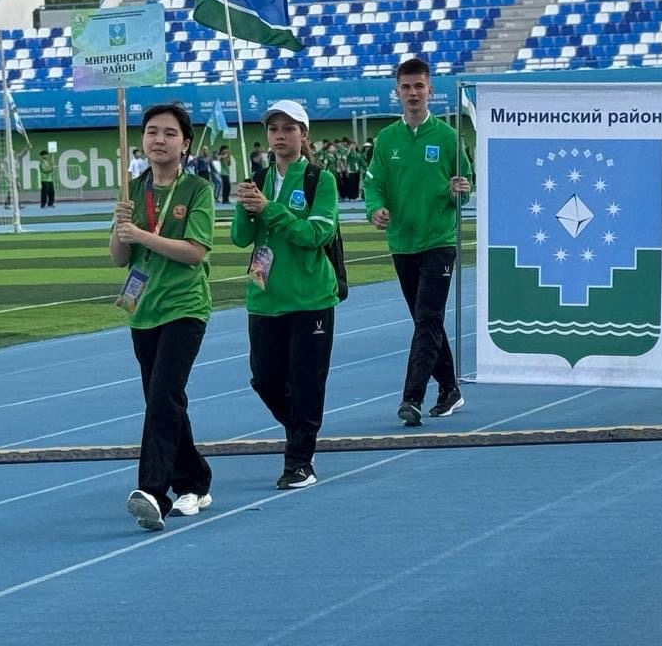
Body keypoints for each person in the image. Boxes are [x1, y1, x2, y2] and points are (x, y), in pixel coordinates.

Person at [109, 103, 215, 531]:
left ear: (185, 143)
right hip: (143, 309)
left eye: (170, 133)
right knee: (163, 399)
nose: (159, 139)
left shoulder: (197, 189)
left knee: (164, 396)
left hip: (185, 306)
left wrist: (142, 235)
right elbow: (120, 258)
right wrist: (121, 229)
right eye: (152, 131)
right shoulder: (132, 190)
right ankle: (195, 479)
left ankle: (152, 491)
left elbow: (195, 252)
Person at [232, 101, 339, 490]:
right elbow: (240, 238)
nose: (279, 135)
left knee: (307, 381)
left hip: (310, 297)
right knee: (265, 379)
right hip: (264, 296)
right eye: (274, 129)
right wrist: (245, 209)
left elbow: (316, 234)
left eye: (288, 128)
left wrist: (269, 209)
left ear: (303, 134)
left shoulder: (319, 180)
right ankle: (302, 432)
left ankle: (299, 461)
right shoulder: (257, 179)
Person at [364, 57, 472, 427]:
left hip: (439, 240)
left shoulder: (447, 137)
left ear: (430, 90)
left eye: (419, 86)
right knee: (427, 320)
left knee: (427, 319)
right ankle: (450, 388)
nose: (413, 93)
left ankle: (412, 398)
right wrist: (375, 209)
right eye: (406, 87)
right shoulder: (386, 139)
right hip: (402, 242)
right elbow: (374, 185)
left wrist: (460, 190)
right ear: (397, 92)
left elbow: (465, 185)